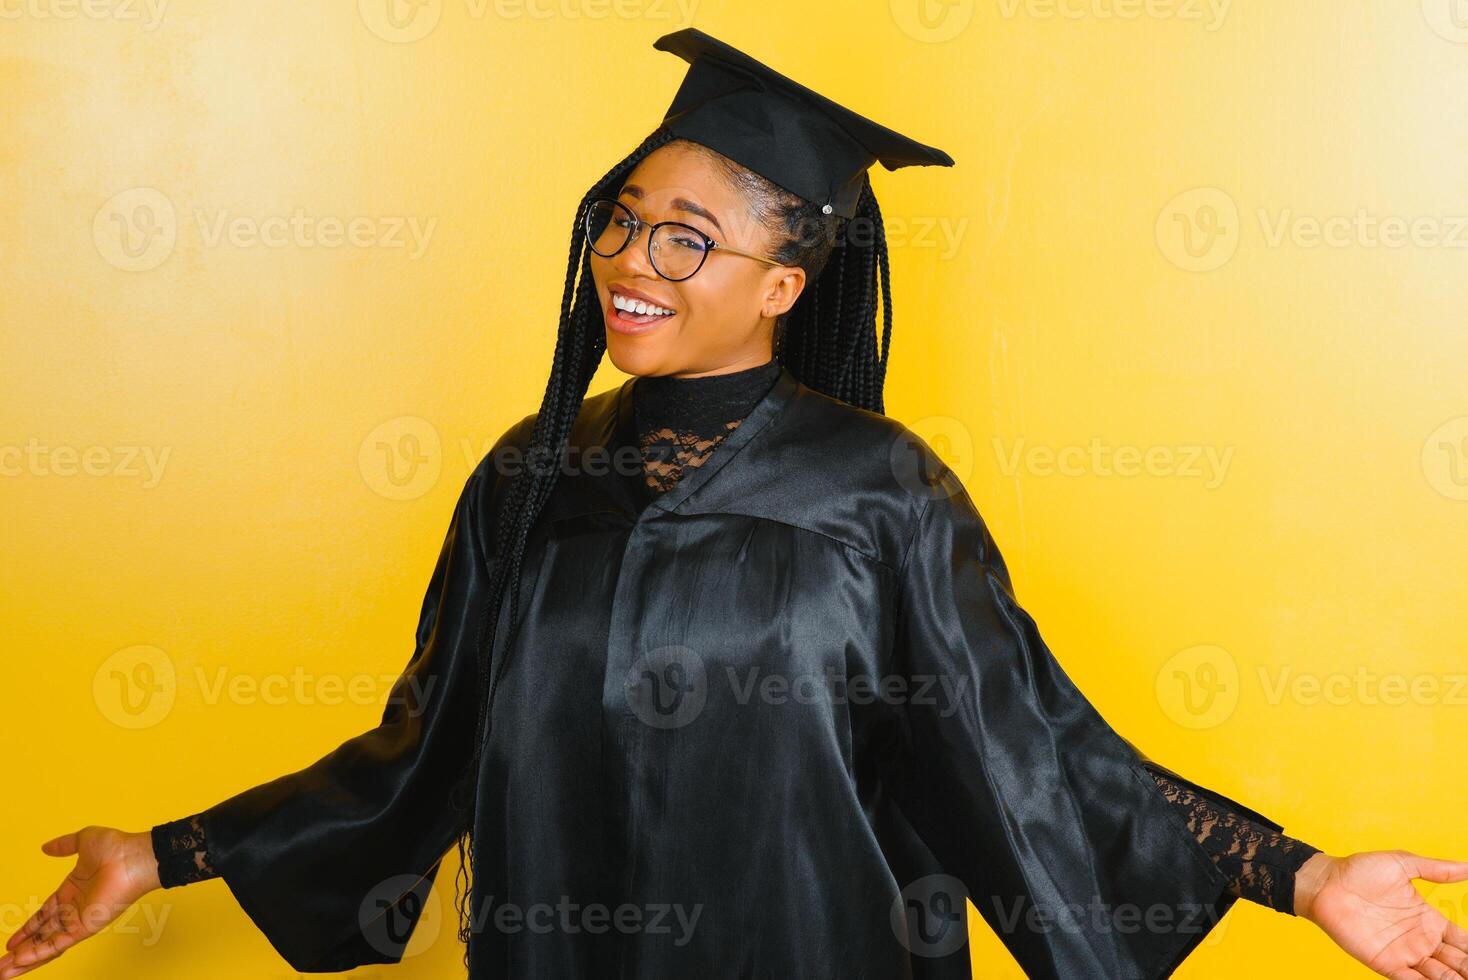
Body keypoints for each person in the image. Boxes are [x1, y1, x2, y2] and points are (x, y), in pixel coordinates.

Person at [5, 28, 1466, 980]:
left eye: (690, 239)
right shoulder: (531, 474)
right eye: (626, 219)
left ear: (782, 285)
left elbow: (1033, 752)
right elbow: (424, 748)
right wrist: (166, 853)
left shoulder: (878, 494)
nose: (634, 258)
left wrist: (1305, 874)